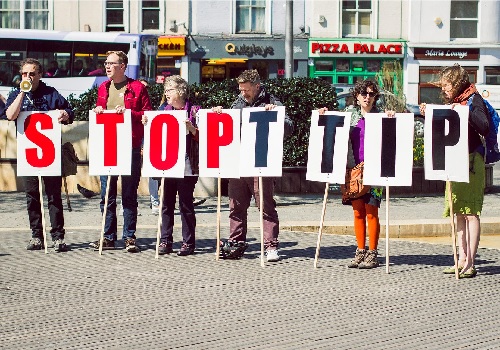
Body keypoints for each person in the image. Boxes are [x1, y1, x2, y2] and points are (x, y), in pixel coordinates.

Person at [212, 69, 294, 262]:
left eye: (246, 90)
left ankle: (271, 246)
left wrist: (276, 116)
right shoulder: (238, 103)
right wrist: (219, 114)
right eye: (240, 90)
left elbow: (290, 127)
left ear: (257, 86)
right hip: (239, 162)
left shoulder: (272, 101)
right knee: (236, 205)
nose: (243, 94)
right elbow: (227, 127)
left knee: (265, 205)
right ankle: (236, 243)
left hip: (260, 162)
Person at [420, 64, 489, 278]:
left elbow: (484, 126)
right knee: (458, 212)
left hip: (471, 161)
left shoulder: (473, 99)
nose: (444, 89)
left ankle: (471, 262)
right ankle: (460, 259)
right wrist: (427, 114)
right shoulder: (456, 101)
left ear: (458, 83)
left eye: (447, 84)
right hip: (456, 160)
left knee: (470, 213)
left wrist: (465, 111)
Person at [319, 80, 393, 269]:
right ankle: (360, 251)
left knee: (371, 212)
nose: (367, 97)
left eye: (371, 94)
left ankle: (373, 253)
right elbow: (334, 129)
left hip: (374, 169)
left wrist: (391, 119)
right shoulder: (349, 115)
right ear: (357, 96)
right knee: (358, 211)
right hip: (354, 170)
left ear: (375, 97)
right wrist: (324, 116)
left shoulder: (381, 116)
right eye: (363, 94)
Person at [5, 58, 74, 252]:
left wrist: (65, 114)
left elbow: (69, 111)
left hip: (49, 154)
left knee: (53, 195)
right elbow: (10, 115)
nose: (28, 77)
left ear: (40, 75)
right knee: (32, 196)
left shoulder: (50, 93)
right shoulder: (16, 94)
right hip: (29, 154)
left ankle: (58, 236)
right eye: (25, 74)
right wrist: (21, 93)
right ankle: (37, 235)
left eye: (32, 74)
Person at [88, 50, 152, 253]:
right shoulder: (103, 87)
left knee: (129, 194)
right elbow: (101, 111)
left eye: (111, 63)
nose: (106, 66)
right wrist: (99, 110)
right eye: (105, 63)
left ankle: (129, 237)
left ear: (123, 66)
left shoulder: (137, 88)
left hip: (130, 146)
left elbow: (147, 115)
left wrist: (130, 113)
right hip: (107, 148)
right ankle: (108, 237)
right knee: (107, 195)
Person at [142, 75, 200, 256]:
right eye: (165, 90)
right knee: (166, 204)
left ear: (181, 91)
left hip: (187, 166)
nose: (166, 93)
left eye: (170, 90)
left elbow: (204, 137)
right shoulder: (162, 110)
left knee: (186, 204)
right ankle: (165, 240)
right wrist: (147, 126)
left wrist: (192, 129)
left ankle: (188, 242)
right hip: (167, 166)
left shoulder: (195, 111)